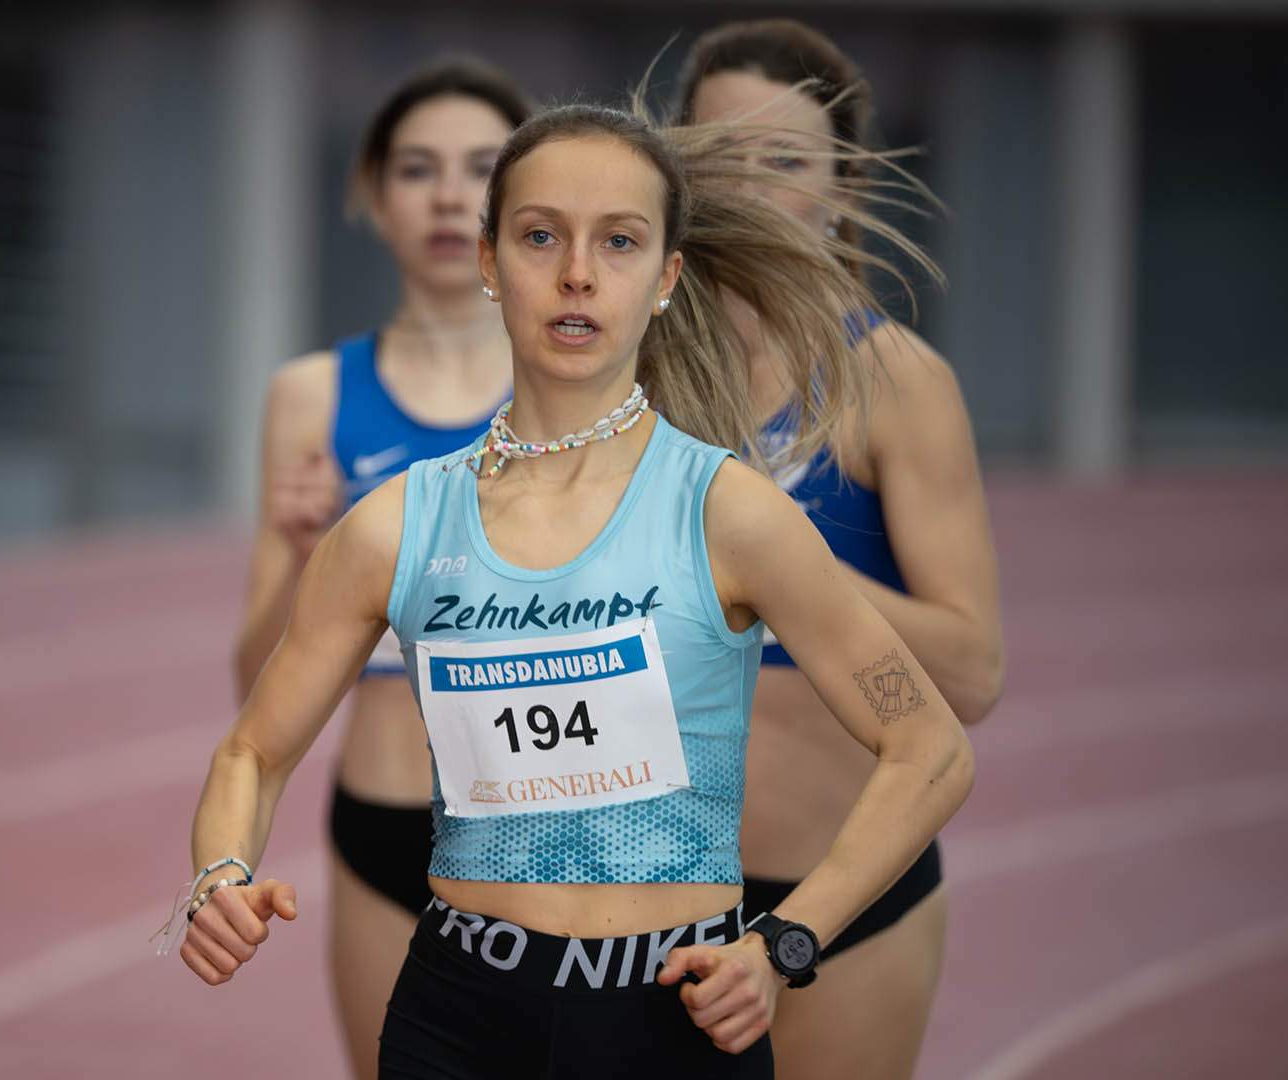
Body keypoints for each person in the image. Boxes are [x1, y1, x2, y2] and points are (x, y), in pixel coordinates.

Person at [176, 101, 975, 1078]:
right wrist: (221, 872)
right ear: (489, 260)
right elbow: (252, 751)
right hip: (457, 1018)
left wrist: (786, 942)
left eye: (620, 241)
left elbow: (931, 748)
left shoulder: (730, 514)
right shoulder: (396, 526)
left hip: (670, 1019)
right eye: (541, 235)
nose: (578, 274)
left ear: (667, 277)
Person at [676, 19, 1006, 1079]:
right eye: (719, 153)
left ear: (844, 187)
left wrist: (786, 573)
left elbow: (972, 671)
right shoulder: (631, 381)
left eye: (784, 161)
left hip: (842, 909)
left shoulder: (895, 383)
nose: (747, 185)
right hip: (642, 907)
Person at [229, 57, 530, 1080]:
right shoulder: (313, 396)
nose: (448, 196)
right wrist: (301, 552)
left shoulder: (578, 384)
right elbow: (257, 686)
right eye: (416, 168)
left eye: (481, 167)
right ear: (371, 192)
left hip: (551, 828)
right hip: (383, 822)